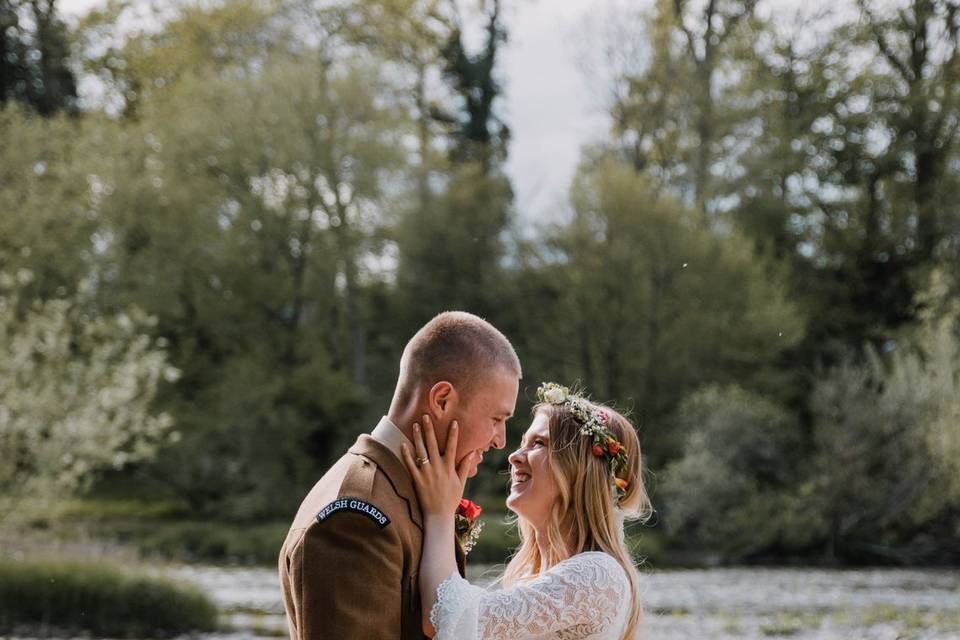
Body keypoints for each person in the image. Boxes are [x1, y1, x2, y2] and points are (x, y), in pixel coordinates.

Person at [278, 311, 521, 640]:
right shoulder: (355, 514)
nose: (500, 440)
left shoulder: (406, 490)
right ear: (442, 399)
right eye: (496, 418)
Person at [401, 382, 652, 640]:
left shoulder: (597, 576)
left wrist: (439, 514)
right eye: (523, 442)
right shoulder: (527, 576)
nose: (515, 456)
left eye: (539, 443)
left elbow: (448, 618)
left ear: (581, 471)